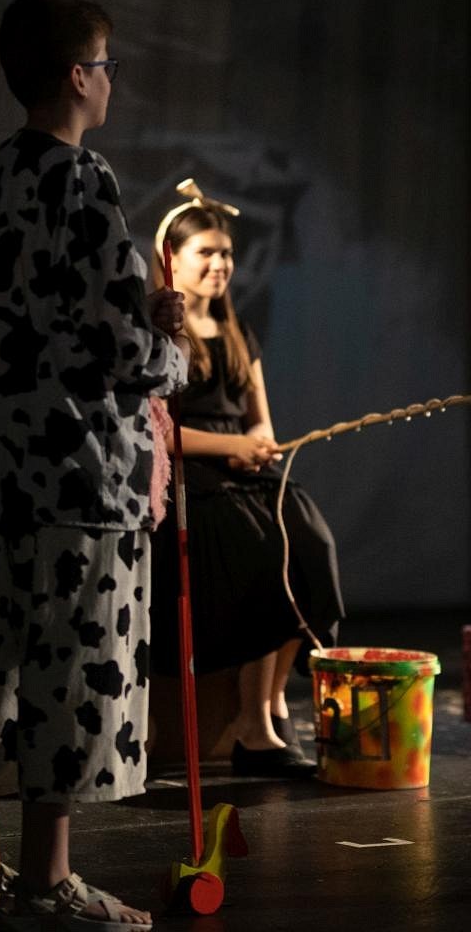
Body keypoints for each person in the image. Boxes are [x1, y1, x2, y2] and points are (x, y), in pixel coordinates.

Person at [0, 0, 187, 930]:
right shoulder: (84, 181)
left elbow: (32, 319)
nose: (112, 82)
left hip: (2, 466)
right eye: (108, 66)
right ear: (79, 76)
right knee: (71, 675)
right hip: (80, 474)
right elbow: (120, 346)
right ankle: (47, 878)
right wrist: (175, 348)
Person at [148, 187, 344, 779]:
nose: (220, 264)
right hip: (189, 477)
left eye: (226, 253)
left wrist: (257, 446)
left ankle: (269, 705)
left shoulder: (238, 332)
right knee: (259, 551)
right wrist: (231, 447)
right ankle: (254, 725)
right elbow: (159, 432)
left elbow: (259, 419)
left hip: (239, 472)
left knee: (307, 541)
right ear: (171, 258)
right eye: (205, 252)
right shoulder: (160, 337)